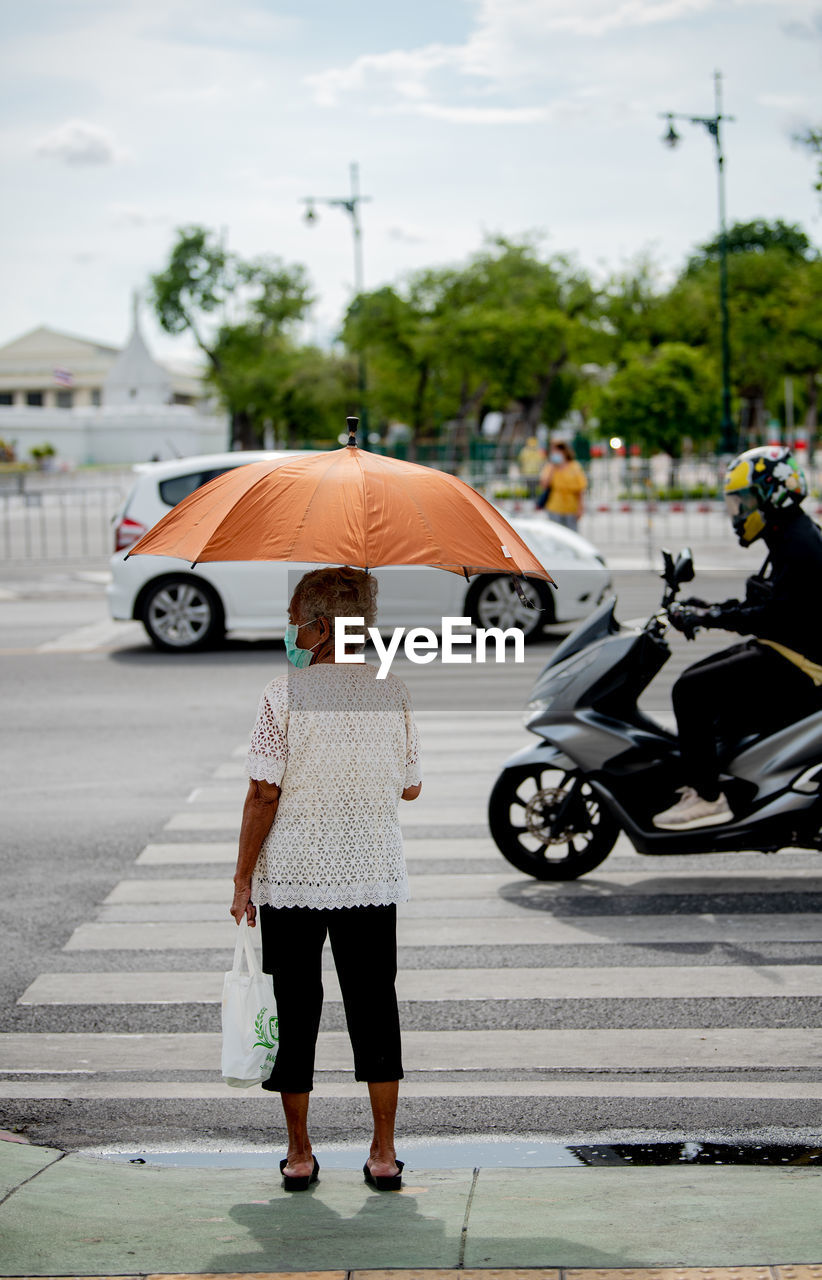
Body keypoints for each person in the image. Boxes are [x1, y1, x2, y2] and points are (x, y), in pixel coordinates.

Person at [230, 566, 422, 1191]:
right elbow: (411, 785)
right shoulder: (391, 689)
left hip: (291, 878)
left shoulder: (281, 694)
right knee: (375, 1005)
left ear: (317, 626)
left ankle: (301, 1153)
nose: (290, 629)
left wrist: (240, 882)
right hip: (369, 873)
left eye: (294, 618)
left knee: (295, 1007)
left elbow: (263, 794)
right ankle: (385, 1152)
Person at [654, 445, 822, 831]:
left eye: (744, 501)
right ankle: (722, 778)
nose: (738, 512)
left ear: (771, 494)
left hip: (801, 660)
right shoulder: (788, 534)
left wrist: (712, 616)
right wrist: (709, 609)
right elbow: (764, 602)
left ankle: (710, 799)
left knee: (690, 690)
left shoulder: (798, 544)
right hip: (788, 647)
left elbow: (769, 616)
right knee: (704, 680)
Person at [536, 441, 587, 530]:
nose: (555, 454)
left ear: (564, 452)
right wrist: (552, 468)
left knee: (571, 535)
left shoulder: (574, 466)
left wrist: (580, 507)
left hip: (571, 508)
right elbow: (544, 485)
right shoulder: (550, 467)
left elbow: (580, 489)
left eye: (558, 451)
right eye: (554, 452)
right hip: (554, 507)